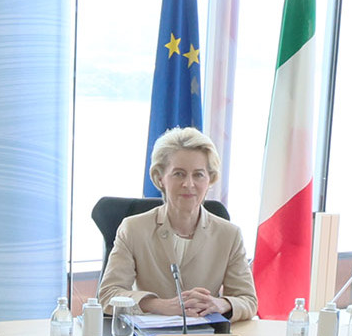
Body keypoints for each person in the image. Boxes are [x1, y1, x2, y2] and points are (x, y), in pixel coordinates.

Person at [97, 127, 258, 321]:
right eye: (179, 174)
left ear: (210, 179)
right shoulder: (133, 229)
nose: (189, 184)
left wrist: (220, 304)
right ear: (160, 178)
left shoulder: (229, 235)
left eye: (198, 175)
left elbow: (248, 300)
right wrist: (159, 306)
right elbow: (107, 295)